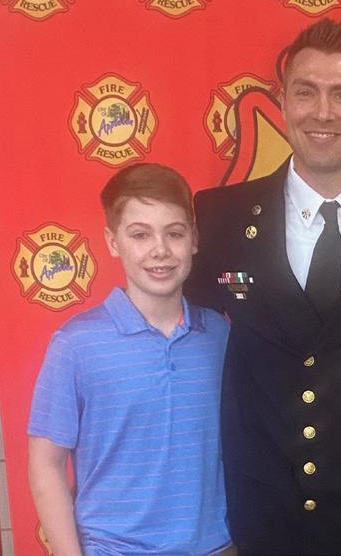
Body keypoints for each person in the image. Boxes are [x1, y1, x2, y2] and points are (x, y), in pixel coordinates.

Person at [185, 18, 341, 555]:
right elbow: (181, 342)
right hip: (271, 514)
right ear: (282, 103)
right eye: (306, 92)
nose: (323, 112)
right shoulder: (220, 217)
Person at [27, 163, 232, 555]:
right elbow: (46, 464)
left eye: (174, 233)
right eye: (140, 234)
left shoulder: (220, 335)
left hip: (216, 548)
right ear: (112, 241)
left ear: (194, 239)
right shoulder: (76, 344)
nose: (160, 250)